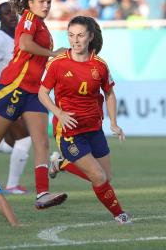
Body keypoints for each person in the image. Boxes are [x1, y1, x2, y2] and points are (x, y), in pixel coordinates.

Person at [0, 0, 68, 209]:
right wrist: (52, 54)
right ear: (29, 3)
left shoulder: (41, 24)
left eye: (49, 1)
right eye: (42, 1)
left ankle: (42, 194)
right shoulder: (28, 18)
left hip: (33, 91)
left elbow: (35, 56)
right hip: (15, 87)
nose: (46, 5)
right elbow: (26, 45)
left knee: (41, 142)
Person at [38, 16, 132, 224]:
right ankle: (120, 215)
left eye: (80, 35)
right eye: (71, 35)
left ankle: (60, 164)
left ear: (90, 36)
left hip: (94, 129)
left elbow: (109, 93)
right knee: (98, 177)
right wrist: (59, 113)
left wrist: (114, 123)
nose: (75, 40)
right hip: (69, 131)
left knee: (106, 177)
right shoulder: (58, 64)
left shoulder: (99, 65)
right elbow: (42, 93)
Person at [0, 2, 32, 195]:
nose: (12, 16)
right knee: (25, 139)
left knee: (11, 144)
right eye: (6, 13)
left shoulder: (18, 37)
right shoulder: (1, 39)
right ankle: (12, 185)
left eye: (13, 12)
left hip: (15, 95)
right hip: (3, 97)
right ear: (0, 18)